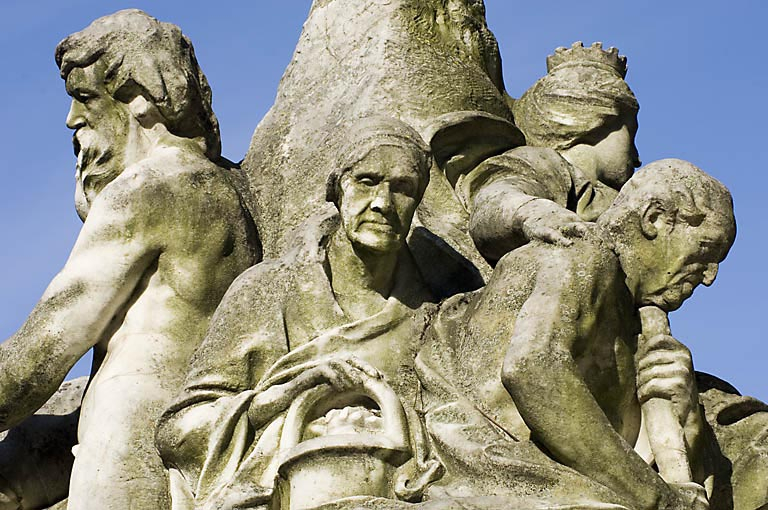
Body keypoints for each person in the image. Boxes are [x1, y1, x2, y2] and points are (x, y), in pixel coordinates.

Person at [0, 10, 260, 509]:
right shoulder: (230, 190)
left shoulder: (148, 188)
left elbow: (32, 363)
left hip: (129, 452)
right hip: (197, 450)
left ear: (138, 97)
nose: (72, 120)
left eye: (84, 98)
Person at [156, 116, 442, 509]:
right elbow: (179, 431)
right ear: (336, 188)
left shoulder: (434, 310)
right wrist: (293, 390)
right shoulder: (267, 289)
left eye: (403, 188)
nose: (382, 204)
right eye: (367, 181)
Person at [416, 159, 736, 510]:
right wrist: (659, 498)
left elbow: (633, 454)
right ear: (654, 219)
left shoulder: (637, 329)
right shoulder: (585, 254)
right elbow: (533, 371)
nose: (710, 276)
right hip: (497, 471)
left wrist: (685, 415)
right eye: (706, 250)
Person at [427, 42, 640, 263]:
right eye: (630, 134)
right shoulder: (541, 163)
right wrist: (535, 213)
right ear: (593, 122)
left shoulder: (612, 200)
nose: (636, 156)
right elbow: (495, 199)